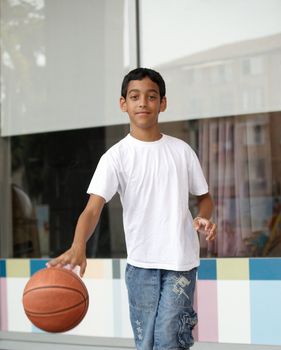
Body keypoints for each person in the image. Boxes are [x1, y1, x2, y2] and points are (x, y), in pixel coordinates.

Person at [48, 68, 216, 350]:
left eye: (151, 97)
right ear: (123, 103)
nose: (143, 103)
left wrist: (203, 217)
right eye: (135, 96)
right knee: (146, 344)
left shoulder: (182, 151)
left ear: (162, 103)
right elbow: (92, 209)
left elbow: (205, 198)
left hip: (180, 263)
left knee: (168, 342)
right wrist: (79, 244)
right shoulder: (115, 157)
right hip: (140, 267)